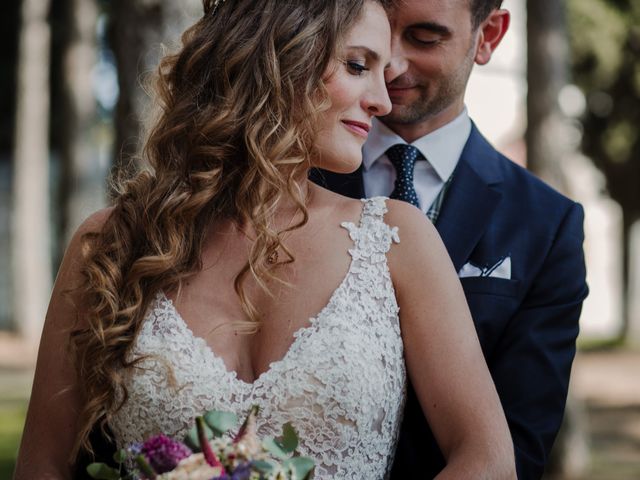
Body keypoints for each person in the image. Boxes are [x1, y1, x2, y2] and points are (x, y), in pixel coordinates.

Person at [14, 0, 517, 479]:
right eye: (358, 65)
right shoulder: (109, 244)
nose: (382, 101)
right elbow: (42, 467)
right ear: (279, 56)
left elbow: (488, 462)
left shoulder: (396, 240)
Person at [311, 0, 589, 479]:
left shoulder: (545, 225)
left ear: (489, 37)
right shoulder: (290, 179)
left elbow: (518, 448)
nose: (391, 63)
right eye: (376, 35)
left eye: (423, 37)